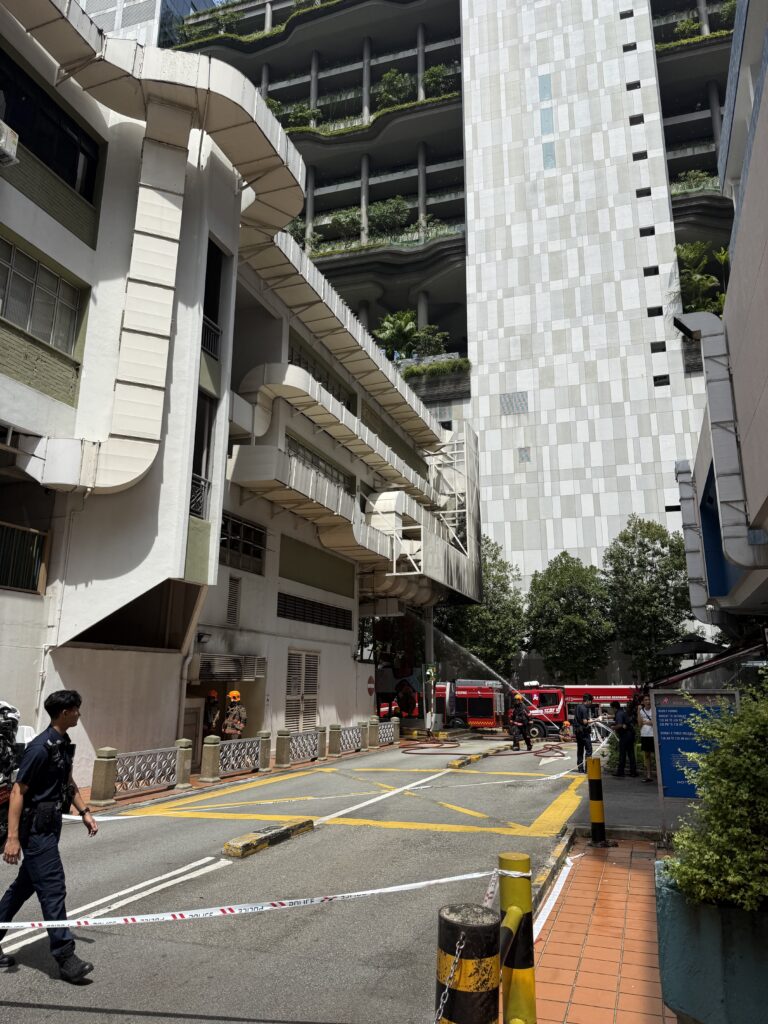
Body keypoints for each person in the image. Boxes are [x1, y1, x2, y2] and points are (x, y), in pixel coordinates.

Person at [0, 690, 98, 982]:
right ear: (65, 712)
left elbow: (67, 782)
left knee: (21, 890)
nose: (79, 713)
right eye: (76, 709)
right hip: (37, 832)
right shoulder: (39, 748)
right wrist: (13, 838)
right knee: (53, 889)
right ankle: (65, 958)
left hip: (50, 826)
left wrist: (84, 811)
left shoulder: (61, 744)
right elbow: (18, 791)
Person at [610, 700, 637, 778]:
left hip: (625, 735)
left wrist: (613, 727)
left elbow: (619, 725)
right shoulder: (622, 712)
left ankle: (620, 772)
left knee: (622, 754)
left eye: (612, 708)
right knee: (631, 753)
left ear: (614, 708)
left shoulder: (619, 714)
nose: (612, 710)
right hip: (630, 735)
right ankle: (633, 772)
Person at [573, 693, 595, 772]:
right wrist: (595, 720)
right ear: (588, 701)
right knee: (589, 750)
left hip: (578, 731)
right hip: (584, 732)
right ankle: (588, 769)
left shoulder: (578, 707)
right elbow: (585, 721)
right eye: (591, 701)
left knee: (580, 750)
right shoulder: (585, 708)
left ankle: (580, 768)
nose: (591, 703)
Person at [637, 694, 655, 783]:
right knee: (647, 756)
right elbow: (640, 724)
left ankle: (660, 774)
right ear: (643, 702)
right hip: (644, 735)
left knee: (656, 755)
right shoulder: (641, 711)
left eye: (649, 699)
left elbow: (655, 722)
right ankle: (649, 775)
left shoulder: (654, 709)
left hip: (653, 735)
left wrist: (647, 722)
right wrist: (638, 711)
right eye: (646, 700)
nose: (648, 701)